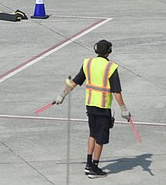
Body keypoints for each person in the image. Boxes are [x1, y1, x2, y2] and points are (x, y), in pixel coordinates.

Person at [52, 39, 130, 178]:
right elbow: (116, 91)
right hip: (103, 106)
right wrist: (124, 109)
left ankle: (88, 164)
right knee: (100, 138)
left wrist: (62, 95)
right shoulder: (111, 67)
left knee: (92, 134)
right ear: (109, 52)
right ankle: (94, 167)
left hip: (90, 105)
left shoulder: (88, 63)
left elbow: (75, 81)